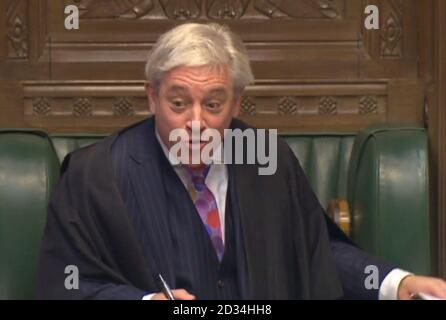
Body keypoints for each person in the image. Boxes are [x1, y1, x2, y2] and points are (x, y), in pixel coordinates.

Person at [37, 23, 446, 300]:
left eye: (213, 104)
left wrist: (396, 283)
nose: (195, 123)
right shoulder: (95, 175)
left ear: (237, 102)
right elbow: (66, 284)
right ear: (152, 96)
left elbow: (315, 251)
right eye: (178, 103)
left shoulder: (265, 157)